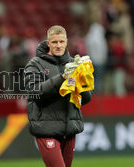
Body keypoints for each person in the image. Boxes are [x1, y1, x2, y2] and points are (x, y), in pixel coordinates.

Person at [24, 25, 93, 167]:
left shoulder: (74, 63)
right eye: (54, 42)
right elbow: (34, 92)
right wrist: (62, 77)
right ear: (48, 43)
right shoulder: (35, 64)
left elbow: (85, 99)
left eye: (61, 42)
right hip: (46, 129)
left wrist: (83, 80)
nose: (58, 45)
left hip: (69, 129)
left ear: (67, 42)